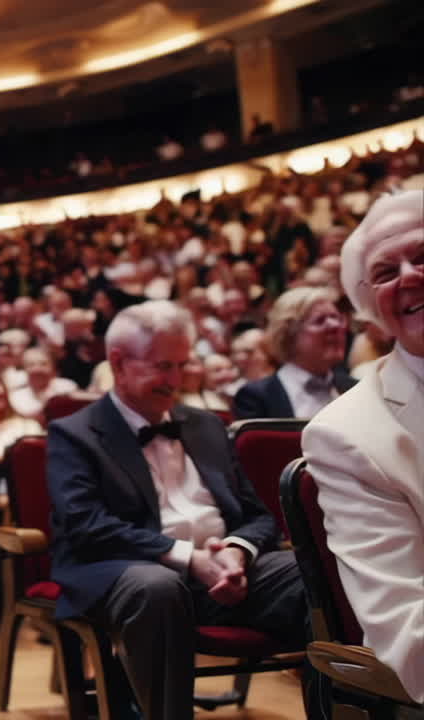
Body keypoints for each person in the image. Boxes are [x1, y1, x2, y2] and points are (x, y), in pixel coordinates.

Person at [47, 300, 306, 720]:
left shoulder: (207, 425)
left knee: (315, 569)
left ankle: (343, 708)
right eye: (162, 366)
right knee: (158, 587)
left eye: (182, 365)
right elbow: (86, 526)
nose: (175, 380)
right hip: (124, 569)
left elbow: (259, 516)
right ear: (118, 362)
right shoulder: (74, 433)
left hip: (219, 568)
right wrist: (189, 559)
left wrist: (236, 553)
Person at [303, 189, 424, 704]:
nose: (410, 276)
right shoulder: (348, 435)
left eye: (422, 256)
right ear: (371, 307)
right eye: (385, 272)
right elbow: (409, 632)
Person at [233, 287, 355, 419]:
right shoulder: (256, 398)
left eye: (337, 318)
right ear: (288, 335)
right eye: (320, 320)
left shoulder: (356, 388)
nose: (335, 326)